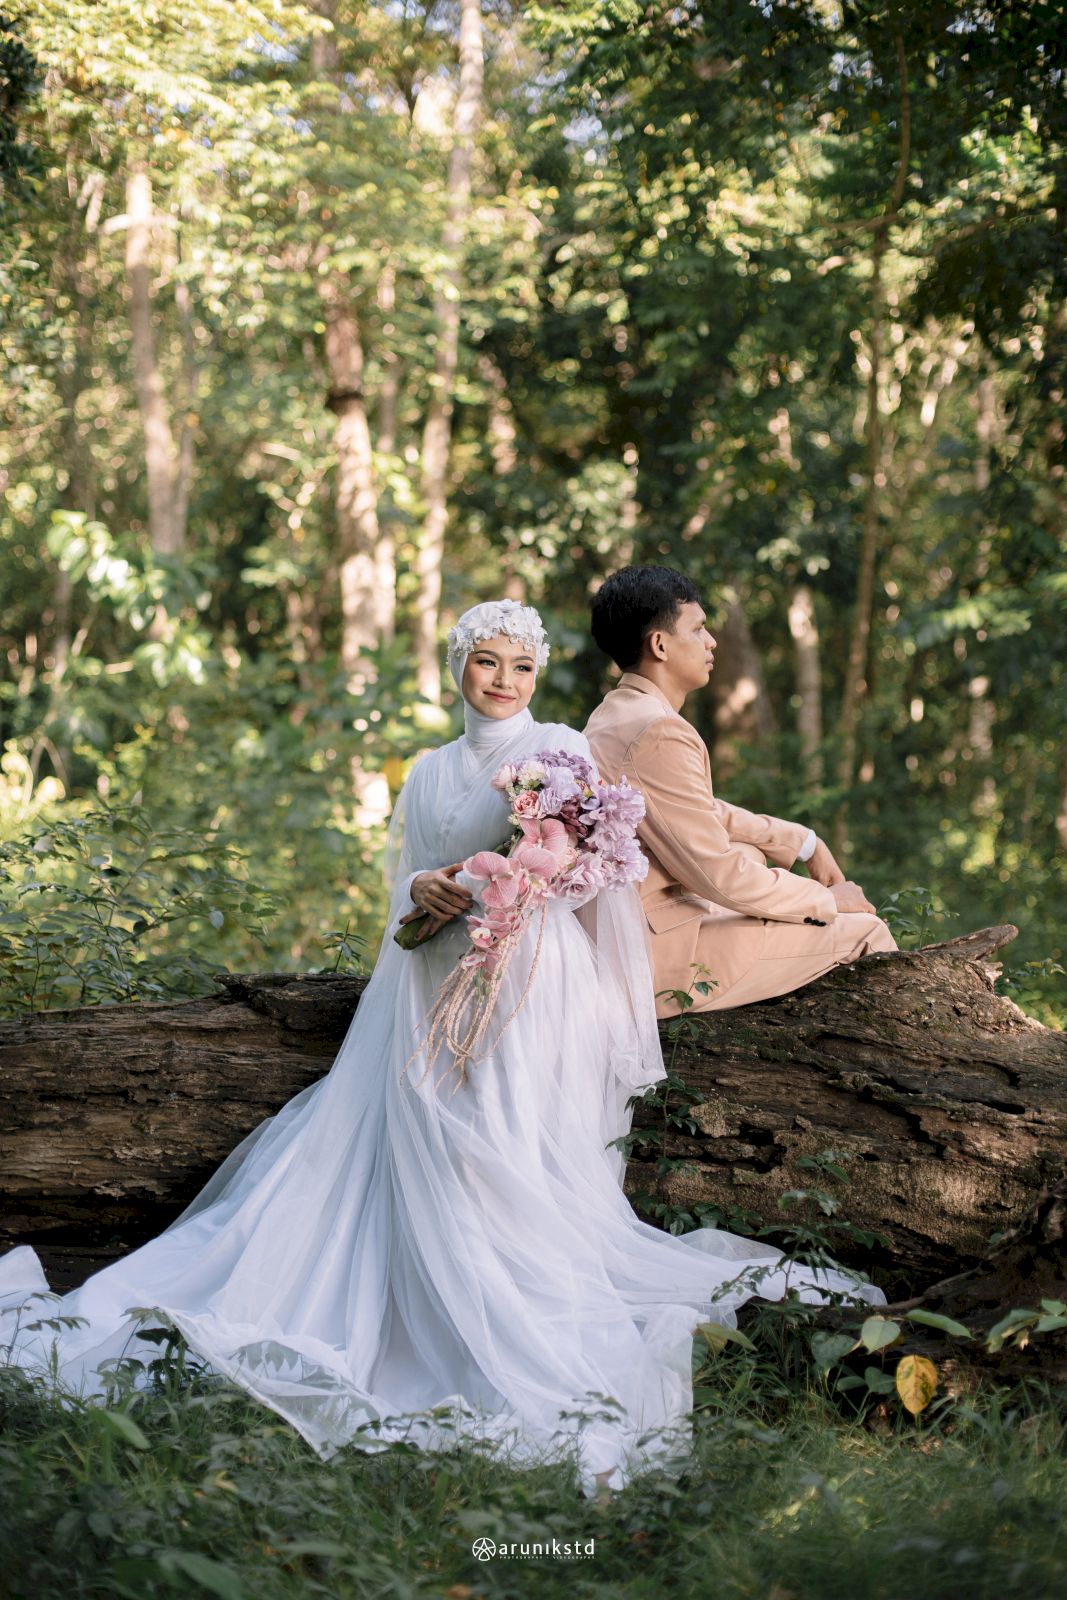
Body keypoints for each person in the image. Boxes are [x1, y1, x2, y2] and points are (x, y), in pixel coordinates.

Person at [0, 598, 884, 1496]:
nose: (503, 681)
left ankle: (503, 1291)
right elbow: (405, 894)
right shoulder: (426, 770)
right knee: (415, 1130)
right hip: (428, 979)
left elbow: (593, 881)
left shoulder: (558, 750)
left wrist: (524, 875)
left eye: (521, 666)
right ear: (457, 665)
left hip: (526, 976)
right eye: (486, 661)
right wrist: (426, 885)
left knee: (495, 1137)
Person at [585, 567, 897, 1019]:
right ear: (660, 645)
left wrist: (802, 841)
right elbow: (718, 874)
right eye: (698, 629)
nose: (711, 642)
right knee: (864, 927)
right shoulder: (658, 731)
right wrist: (830, 901)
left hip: (635, 930)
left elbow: (697, 811)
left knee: (752, 851)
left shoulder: (614, 714)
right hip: (659, 958)